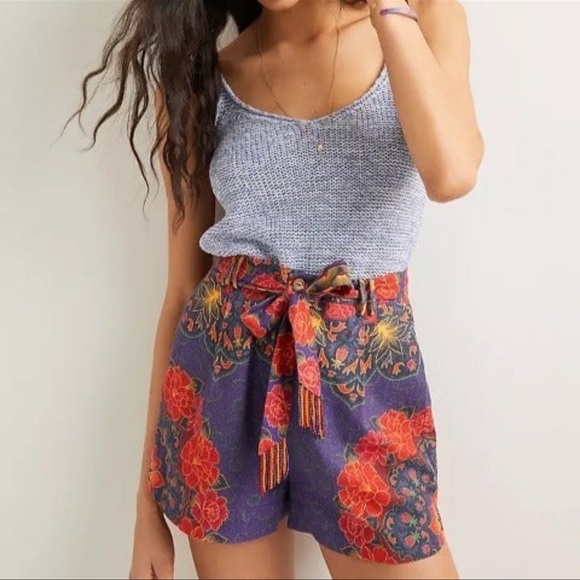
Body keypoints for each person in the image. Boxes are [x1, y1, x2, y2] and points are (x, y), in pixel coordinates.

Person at [70, 0, 484, 578]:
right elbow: (183, 290)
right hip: (226, 375)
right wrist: (146, 503)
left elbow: (453, 173)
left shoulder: (422, 18)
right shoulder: (203, 79)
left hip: (367, 380)